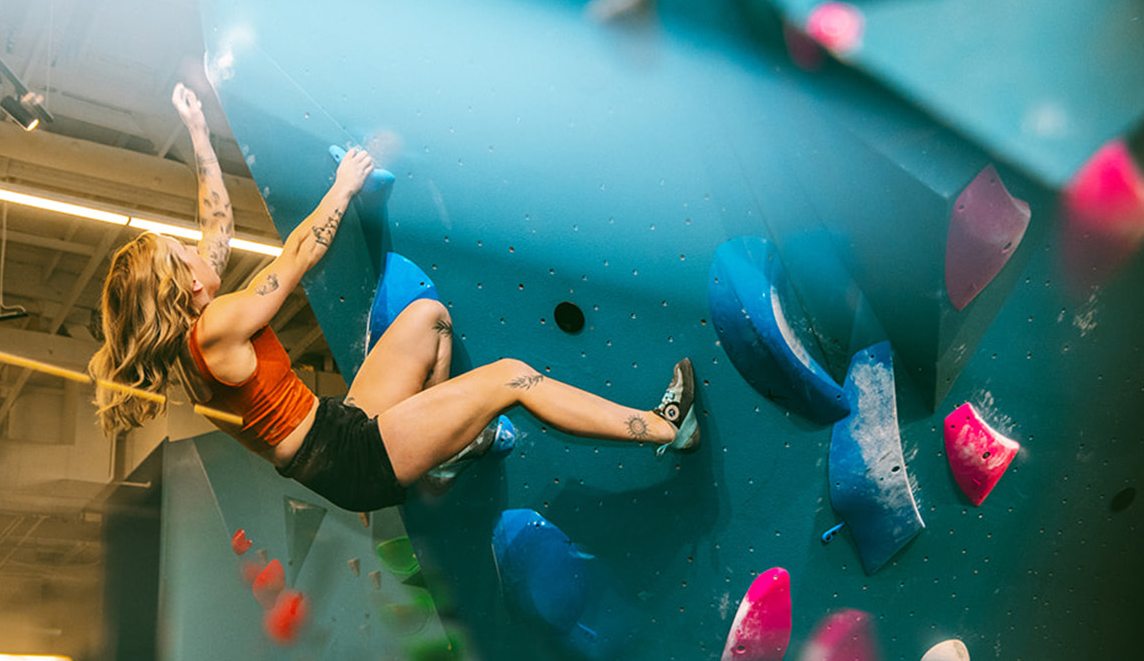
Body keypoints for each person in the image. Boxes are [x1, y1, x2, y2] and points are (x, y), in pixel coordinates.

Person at [88, 84, 699, 512]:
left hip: (338, 426)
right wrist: (343, 186)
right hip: (350, 458)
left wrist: (199, 131)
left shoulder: (196, 330)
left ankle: (449, 448)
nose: (201, 252)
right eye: (185, 254)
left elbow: (216, 222)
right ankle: (665, 428)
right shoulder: (216, 326)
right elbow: (298, 255)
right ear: (184, 284)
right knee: (512, 378)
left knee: (428, 319)